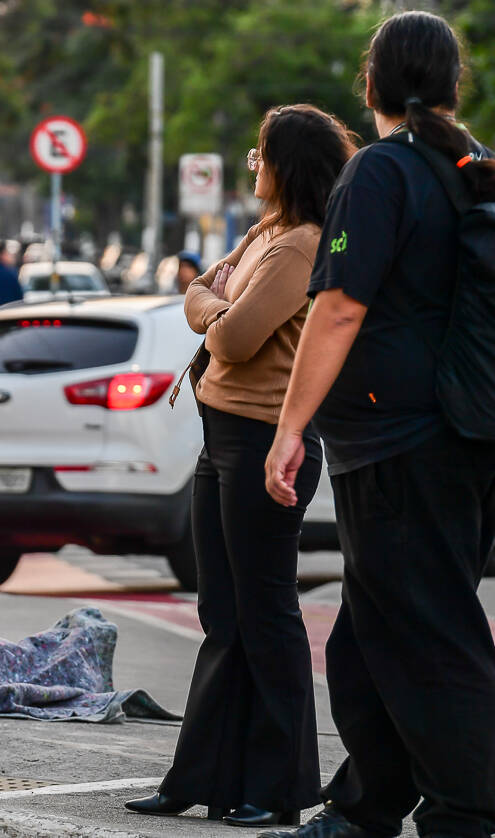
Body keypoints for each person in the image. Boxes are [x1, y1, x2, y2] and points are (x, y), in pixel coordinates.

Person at [262, 12, 495, 838]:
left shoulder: (382, 172)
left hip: (402, 446)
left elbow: (338, 309)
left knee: (429, 639)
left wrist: (289, 429)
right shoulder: (468, 167)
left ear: (371, 84)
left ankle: (466, 812)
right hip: (458, 437)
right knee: (367, 642)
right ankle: (365, 806)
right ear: (450, 83)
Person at [126, 105, 357, 828]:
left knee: (265, 614)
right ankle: (197, 777)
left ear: (285, 164)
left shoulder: (299, 246)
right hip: (218, 435)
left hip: (265, 442)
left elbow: (230, 339)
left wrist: (210, 303)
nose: (251, 165)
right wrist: (210, 301)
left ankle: (277, 786)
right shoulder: (263, 234)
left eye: (259, 155)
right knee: (220, 614)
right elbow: (199, 294)